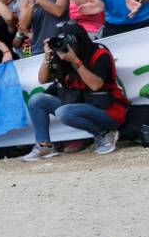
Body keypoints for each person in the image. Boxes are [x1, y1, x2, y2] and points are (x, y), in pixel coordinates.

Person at [22, 23, 128, 160]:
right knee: (37, 100)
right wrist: (47, 56)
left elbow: (96, 85)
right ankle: (44, 146)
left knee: (64, 112)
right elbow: (43, 80)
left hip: (107, 111)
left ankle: (105, 134)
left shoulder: (100, 54)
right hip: (78, 105)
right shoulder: (62, 57)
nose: (63, 47)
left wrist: (75, 61)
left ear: (77, 42)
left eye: (66, 43)